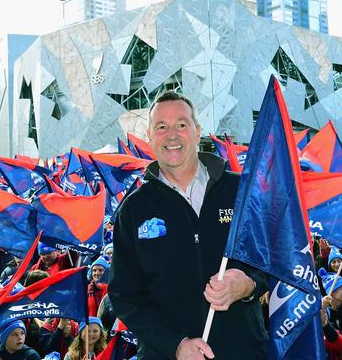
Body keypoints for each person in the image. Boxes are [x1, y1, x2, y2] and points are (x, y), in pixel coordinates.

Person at [108, 91, 268, 359]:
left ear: (197, 131)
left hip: (244, 351)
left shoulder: (240, 190)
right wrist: (176, 344)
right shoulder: (133, 210)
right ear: (149, 136)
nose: (172, 134)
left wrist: (249, 285)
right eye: (161, 127)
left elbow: (270, 257)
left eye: (181, 124)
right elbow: (125, 295)